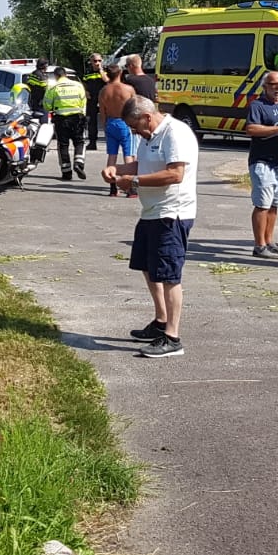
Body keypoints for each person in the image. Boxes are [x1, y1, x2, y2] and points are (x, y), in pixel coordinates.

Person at [102, 95, 198, 358]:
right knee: (147, 266)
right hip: (151, 212)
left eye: (135, 126)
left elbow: (175, 174)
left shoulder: (174, 133)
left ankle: (173, 337)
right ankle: (160, 321)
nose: (135, 132)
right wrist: (116, 169)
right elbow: (141, 165)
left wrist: (132, 182)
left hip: (172, 213)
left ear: (147, 116)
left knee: (168, 275)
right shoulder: (149, 136)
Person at [243, 70, 278, 257]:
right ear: (265, 87)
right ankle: (259, 245)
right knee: (262, 204)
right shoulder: (258, 105)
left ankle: (270, 240)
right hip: (262, 161)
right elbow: (251, 129)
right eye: (273, 84)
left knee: (274, 204)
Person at [42, 66, 89, 181]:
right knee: (79, 142)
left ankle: (66, 172)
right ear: (66, 75)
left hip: (61, 119)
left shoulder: (53, 87)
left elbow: (47, 105)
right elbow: (83, 101)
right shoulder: (78, 85)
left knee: (63, 145)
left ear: (56, 76)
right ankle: (79, 162)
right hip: (77, 118)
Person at [96, 63, 135, 198]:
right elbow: (134, 109)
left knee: (112, 155)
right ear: (120, 73)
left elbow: (102, 111)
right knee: (128, 154)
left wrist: (105, 125)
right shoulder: (128, 89)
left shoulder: (104, 91)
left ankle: (112, 187)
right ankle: (129, 187)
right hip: (124, 122)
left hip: (111, 122)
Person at [82, 55, 106, 151]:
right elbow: (84, 83)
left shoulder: (106, 70)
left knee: (107, 120)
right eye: (95, 61)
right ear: (91, 61)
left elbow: (107, 81)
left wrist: (101, 70)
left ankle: (110, 140)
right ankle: (92, 142)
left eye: (99, 60)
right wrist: (86, 91)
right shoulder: (88, 72)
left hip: (104, 99)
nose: (97, 63)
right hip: (92, 99)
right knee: (91, 122)